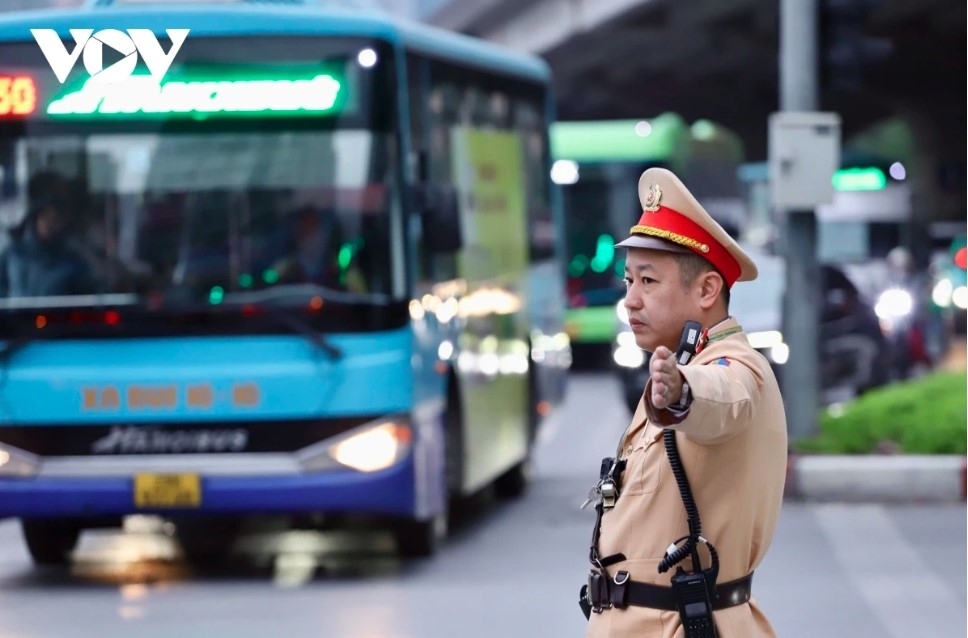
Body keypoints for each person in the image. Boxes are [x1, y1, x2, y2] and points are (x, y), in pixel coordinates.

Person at [580, 168, 787, 638]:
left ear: (707, 290)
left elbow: (722, 398)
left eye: (648, 281)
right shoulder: (674, 361)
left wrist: (682, 391)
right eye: (629, 280)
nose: (630, 300)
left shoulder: (736, 367)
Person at [0, 196, 90, 298]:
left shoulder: (72, 262)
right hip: (15, 313)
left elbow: (82, 298)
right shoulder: (12, 254)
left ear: (62, 224)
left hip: (55, 314)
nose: (49, 224)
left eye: (55, 219)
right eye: (44, 217)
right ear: (35, 220)